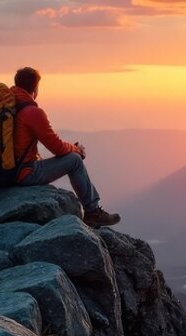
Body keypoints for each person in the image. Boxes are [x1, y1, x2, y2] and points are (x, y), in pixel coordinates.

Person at [10, 67, 121, 227]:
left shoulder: (10, 106)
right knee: (74, 160)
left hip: (4, 173)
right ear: (35, 88)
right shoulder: (32, 112)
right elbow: (56, 147)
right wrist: (76, 150)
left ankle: (92, 211)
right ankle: (92, 211)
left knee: (72, 156)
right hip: (22, 175)